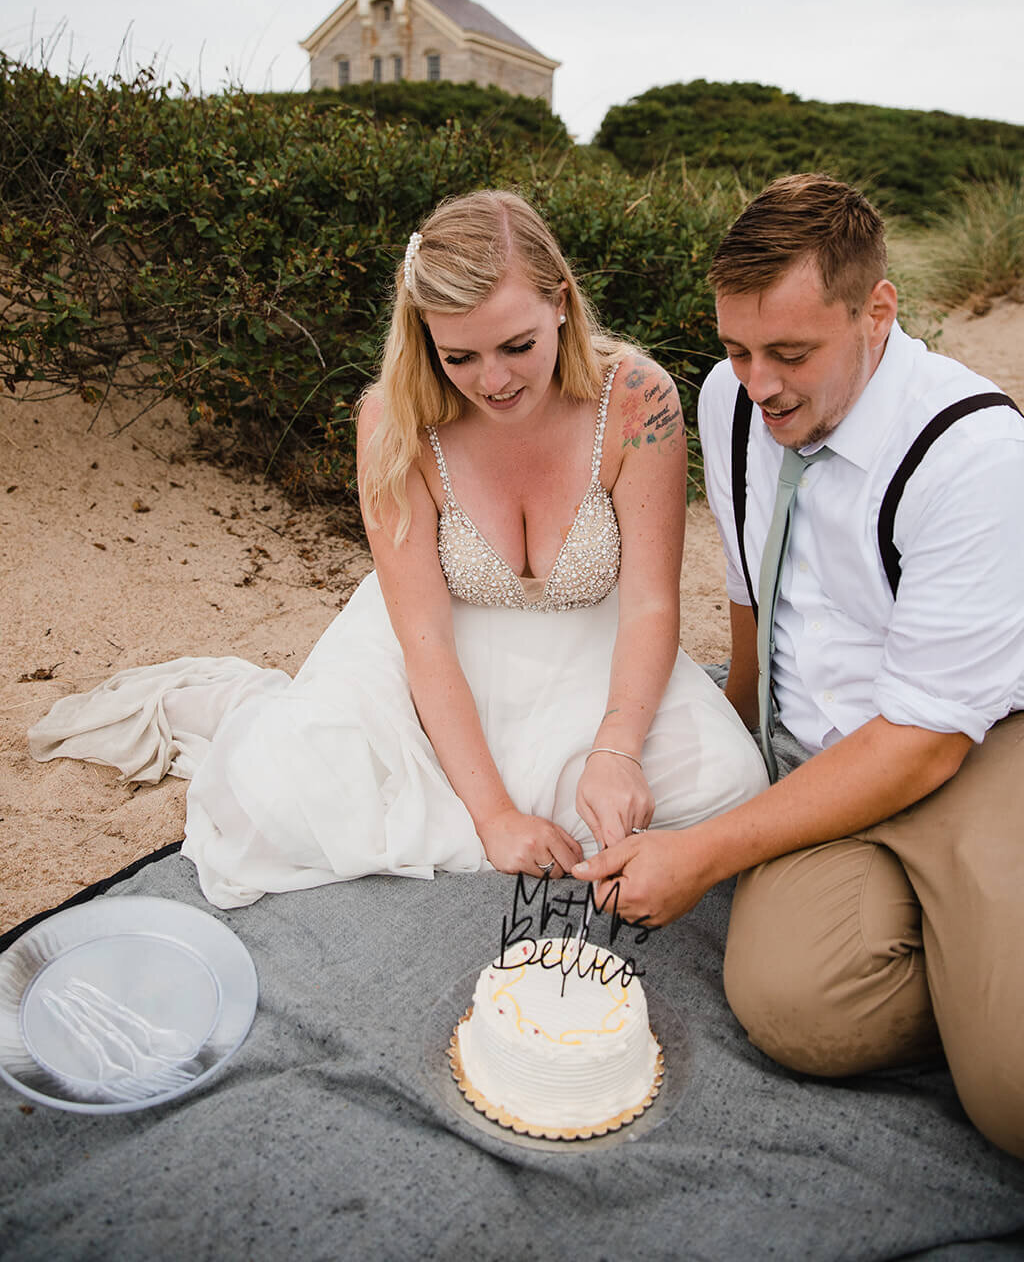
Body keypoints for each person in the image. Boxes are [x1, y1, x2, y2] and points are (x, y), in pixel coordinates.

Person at [31, 189, 766, 908]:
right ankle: (265, 711)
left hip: (593, 647)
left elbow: (646, 605)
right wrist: (492, 818)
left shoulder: (638, 397)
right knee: (286, 801)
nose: (495, 381)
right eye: (460, 357)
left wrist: (616, 748)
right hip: (438, 647)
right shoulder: (393, 419)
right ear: (423, 336)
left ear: (562, 303)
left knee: (725, 788)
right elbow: (423, 640)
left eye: (518, 345)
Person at [575, 174, 1024, 1175]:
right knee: (793, 1008)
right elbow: (753, 598)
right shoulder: (729, 402)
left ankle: (1010, 983)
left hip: (988, 741)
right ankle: (988, 961)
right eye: (736, 348)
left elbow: (922, 745)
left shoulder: (976, 456)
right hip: (837, 751)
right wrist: (729, 751)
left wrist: (708, 850)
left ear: (875, 311)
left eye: (790, 352)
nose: (758, 384)